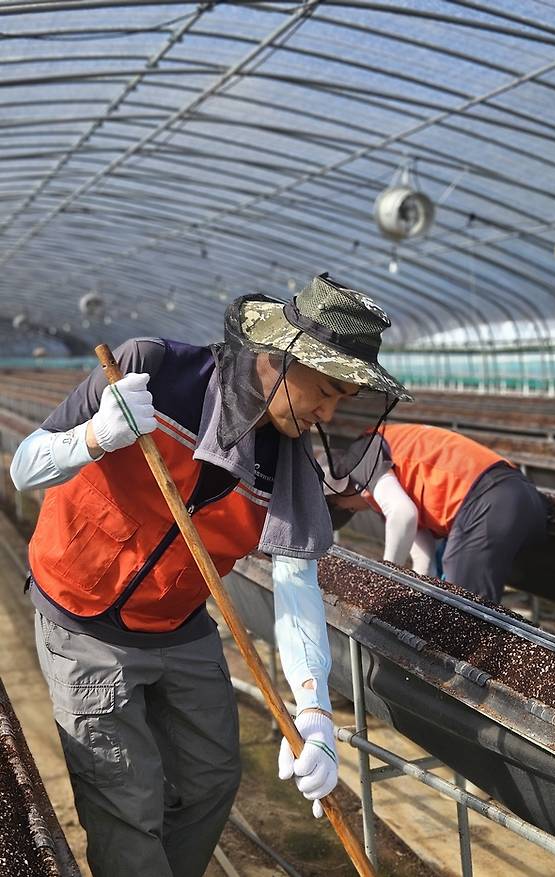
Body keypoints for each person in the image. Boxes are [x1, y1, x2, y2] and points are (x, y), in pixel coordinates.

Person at [10, 273, 411, 877]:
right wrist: (94, 437)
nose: (328, 413)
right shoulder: (153, 373)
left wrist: (315, 713)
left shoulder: (291, 464)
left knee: (211, 778)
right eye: (325, 391)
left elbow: (297, 580)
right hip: (82, 615)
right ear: (279, 359)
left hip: (176, 620)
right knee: (126, 798)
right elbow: (22, 467)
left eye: (343, 401)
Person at [323, 422, 547, 603]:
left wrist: (385, 581)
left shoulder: (363, 456)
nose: (352, 510)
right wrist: (416, 597)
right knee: (458, 605)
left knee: (465, 614)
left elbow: (403, 515)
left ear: (339, 490)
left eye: (344, 507)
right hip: (519, 495)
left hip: (489, 499)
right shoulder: (388, 484)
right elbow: (424, 556)